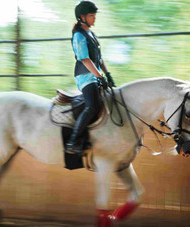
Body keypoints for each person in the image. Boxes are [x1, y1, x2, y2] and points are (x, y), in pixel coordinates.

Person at [66, 0, 115, 155]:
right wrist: (99, 76)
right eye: (92, 15)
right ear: (82, 17)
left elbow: (98, 58)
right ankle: (73, 142)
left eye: (95, 15)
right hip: (85, 77)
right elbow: (85, 59)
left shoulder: (91, 34)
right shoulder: (79, 36)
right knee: (92, 106)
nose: (95, 18)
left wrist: (107, 74)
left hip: (95, 75)